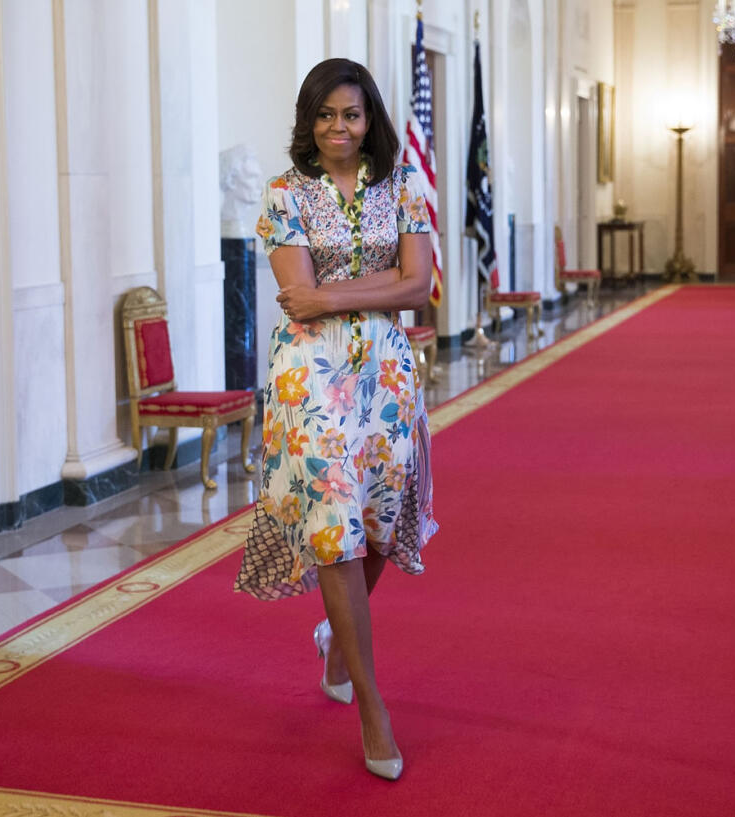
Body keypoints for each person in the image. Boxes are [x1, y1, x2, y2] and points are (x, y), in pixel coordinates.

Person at [234, 58, 438, 781]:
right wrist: (375, 287)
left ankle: (335, 642)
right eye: (325, 115)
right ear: (308, 121)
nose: (338, 128)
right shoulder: (286, 193)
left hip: (385, 374)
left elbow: (420, 286)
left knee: (380, 524)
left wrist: (333, 294)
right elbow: (298, 297)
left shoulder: (404, 183)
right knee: (333, 529)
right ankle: (371, 706)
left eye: (350, 114)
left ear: (369, 117)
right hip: (310, 380)